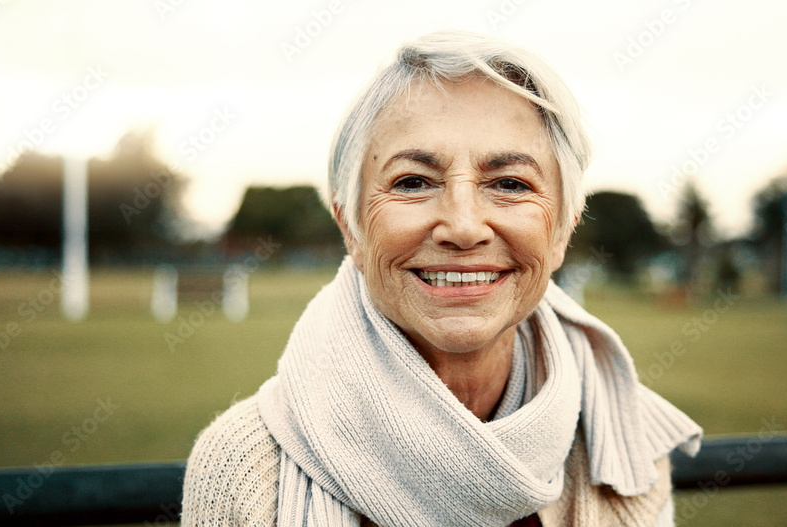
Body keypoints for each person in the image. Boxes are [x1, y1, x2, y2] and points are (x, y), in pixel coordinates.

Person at [182, 30, 701, 527]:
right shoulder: (245, 467)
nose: (463, 226)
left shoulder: (622, 446)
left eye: (509, 183)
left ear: (563, 227)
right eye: (412, 181)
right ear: (351, 227)